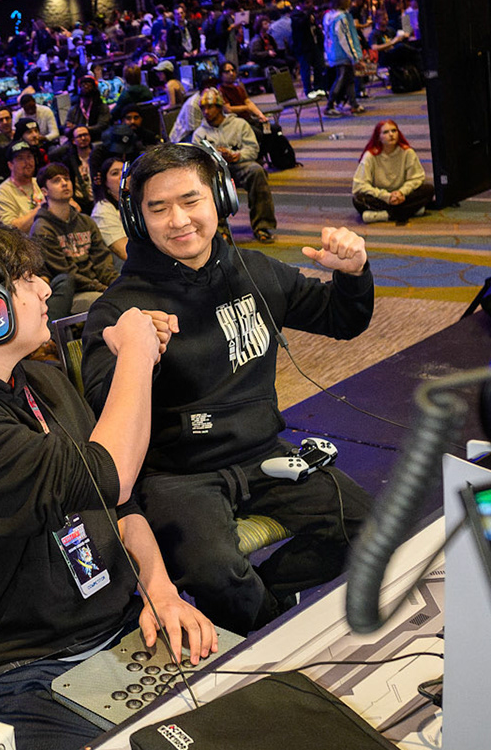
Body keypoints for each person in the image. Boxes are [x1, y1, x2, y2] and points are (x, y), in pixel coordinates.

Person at [0, 224, 216, 750]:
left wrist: (159, 589)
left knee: (232, 725)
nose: (45, 288)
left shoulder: (40, 380)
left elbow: (120, 505)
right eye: (25, 279)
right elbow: (110, 475)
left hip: (115, 632)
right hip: (12, 672)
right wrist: (136, 357)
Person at [81, 144, 377, 634]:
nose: (179, 220)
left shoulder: (253, 270)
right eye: (158, 208)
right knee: (217, 574)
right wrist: (137, 356)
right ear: (137, 219)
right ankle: (268, 626)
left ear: (220, 198)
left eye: (190, 200)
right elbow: (99, 405)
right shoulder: (120, 308)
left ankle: (269, 603)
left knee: (371, 528)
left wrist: (352, 275)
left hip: (262, 452)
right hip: (176, 475)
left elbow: (341, 320)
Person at [186, 88, 278, 243]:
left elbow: (253, 149)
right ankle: (220, 230)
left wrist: (237, 155)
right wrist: (216, 159)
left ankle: (262, 226)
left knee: (257, 171)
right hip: (217, 171)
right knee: (208, 181)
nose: (206, 112)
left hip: (240, 164)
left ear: (219, 107)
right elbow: (198, 161)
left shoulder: (239, 124)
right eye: (203, 108)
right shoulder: (199, 134)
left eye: (210, 107)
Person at [33, 163, 119, 322]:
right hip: (72, 293)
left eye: (66, 179)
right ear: (44, 191)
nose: (64, 183)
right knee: (110, 303)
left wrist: (116, 284)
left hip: (97, 286)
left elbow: (102, 261)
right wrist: (104, 289)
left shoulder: (86, 221)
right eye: (56, 181)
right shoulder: (42, 229)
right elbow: (65, 273)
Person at [351, 120, 436, 223]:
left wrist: (401, 192)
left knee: (429, 189)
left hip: (403, 195)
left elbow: (417, 178)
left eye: (394, 131)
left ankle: (386, 215)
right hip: (381, 197)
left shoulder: (407, 152)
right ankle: (409, 211)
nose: (391, 134)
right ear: (378, 137)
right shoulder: (370, 156)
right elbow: (360, 185)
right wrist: (386, 196)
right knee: (358, 199)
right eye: (385, 132)